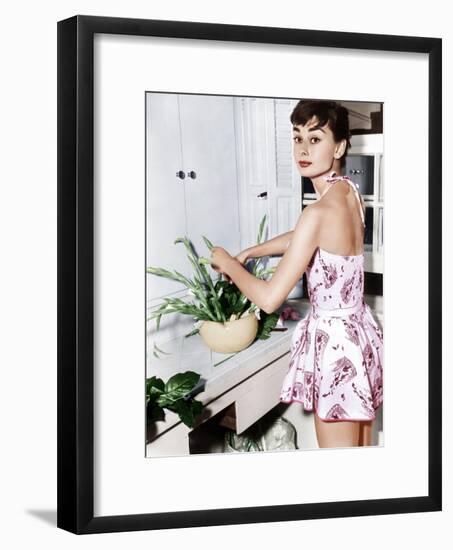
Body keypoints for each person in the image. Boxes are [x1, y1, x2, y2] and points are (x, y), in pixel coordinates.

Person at [210, 99, 383, 449]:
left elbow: (271, 297)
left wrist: (228, 263)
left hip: (336, 352)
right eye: (296, 137)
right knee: (361, 458)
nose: (302, 149)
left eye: (315, 139)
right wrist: (253, 251)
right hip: (358, 335)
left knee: (340, 480)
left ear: (339, 146)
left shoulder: (317, 212)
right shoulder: (348, 192)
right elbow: (303, 238)